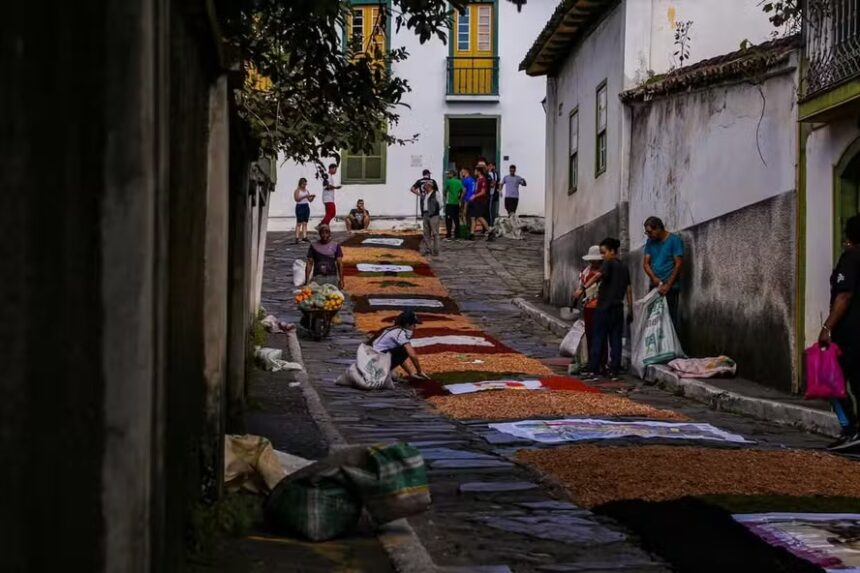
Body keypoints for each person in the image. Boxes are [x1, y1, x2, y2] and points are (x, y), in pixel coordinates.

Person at [820, 215, 860, 451]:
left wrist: (827, 328)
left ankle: (851, 430)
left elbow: (844, 295)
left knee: (831, 380)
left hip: (851, 334)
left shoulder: (851, 258)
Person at [581, 238, 632, 380]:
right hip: (618, 308)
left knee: (598, 338)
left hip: (604, 308)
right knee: (615, 340)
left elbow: (598, 275)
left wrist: (582, 288)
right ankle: (614, 369)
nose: (603, 256)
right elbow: (628, 289)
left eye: (604, 252)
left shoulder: (608, 264)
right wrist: (631, 309)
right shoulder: (624, 267)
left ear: (612, 251)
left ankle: (594, 368)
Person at [643, 216, 684, 329]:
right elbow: (646, 263)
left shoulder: (674, 240)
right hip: (655, 286)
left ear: (658, 228)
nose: (649, 235)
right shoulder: (650, 242)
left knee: (669, 320)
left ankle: (670, 346)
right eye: (647, 233)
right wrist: (654, 278)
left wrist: (668, 285)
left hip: (670, 287)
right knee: (653, 319)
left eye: (650, 232)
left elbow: (678, 264)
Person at [370, 309, 429, 381]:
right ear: (407, 324)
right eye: (414, 324)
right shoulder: (400, 333)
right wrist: (419, 371)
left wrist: (410, 373)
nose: (415, 326)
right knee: (405, 350)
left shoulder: (394, 329)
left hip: (372, 359)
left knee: (395, 375)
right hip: (375, 361)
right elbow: (412, 355)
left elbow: (399, 358)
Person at [573, 245, 606, 369]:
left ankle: (602, 362)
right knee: (590, 334)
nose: (593, 262)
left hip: (601, 306)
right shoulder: (585, 271)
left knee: (601, 336)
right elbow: (581, 286)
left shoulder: (603, 271)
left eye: (595, 260)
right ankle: (592, 361)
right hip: (588, 306)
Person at [304, 224, 344, 289]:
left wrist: (341, 280)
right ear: (319, 234)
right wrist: (307, 281)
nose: (324, 235)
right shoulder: (314, 246)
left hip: (332, 277)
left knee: (333, 297)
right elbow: (309, 263)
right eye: (322, 232)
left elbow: (340, 263)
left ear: (330, 233)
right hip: (318, 277)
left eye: (326, 232)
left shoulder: (335, 245)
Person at [412, 181, 441, 256]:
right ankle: (428, 249)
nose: (424, 187)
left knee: (435, 233)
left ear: (430, 186)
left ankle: (436, 250)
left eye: (425, 186)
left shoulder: (436, 193)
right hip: (425, 214)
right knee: (426, 233)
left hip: (433, 215)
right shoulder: (425, 194)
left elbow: (441, 204)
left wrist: (434, 211)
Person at [467, 165, 490, 239]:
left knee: (479, 216)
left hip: (480, 201)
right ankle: (472, 234)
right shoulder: (477, 179)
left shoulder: (483, 179)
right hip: (475, 201)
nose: (474, 172)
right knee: (473, 217)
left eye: (475, 171)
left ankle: (489, 231)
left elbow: (483, 192)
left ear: (479, 172)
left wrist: (475, 196)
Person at [293, 177, 315, 244]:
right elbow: (297, 199)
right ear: (300, 184)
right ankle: (297, 237)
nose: (304, 186)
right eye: (303, 184)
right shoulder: (297, 190)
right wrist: (304, 196)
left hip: (306, 206)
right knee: (299, 222)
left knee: (305, 222)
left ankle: (304, 236)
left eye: (305, 184)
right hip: (300, 206)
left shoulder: (306, 191)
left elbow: (309, 200)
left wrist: (312, 197)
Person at [443, 170, 464, 240]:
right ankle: (457, 233)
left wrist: (445, 195)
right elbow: (463, 190)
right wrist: (460, 198)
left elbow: (445, 191)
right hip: (457, 202)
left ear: (452, 174)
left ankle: (448, 233)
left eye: (449, 174)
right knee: (456, 218)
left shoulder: (448, 181)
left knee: (448, 219)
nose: (448, 175)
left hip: (450, 202)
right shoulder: (459, 181)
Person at [320, 163, 341, 227]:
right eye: (335, 169)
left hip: (330, 198)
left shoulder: (330, 176)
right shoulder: (327, 176)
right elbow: (327, 186)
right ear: (331, 168)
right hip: (328, 198)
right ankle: (322, 224)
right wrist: (335, 187)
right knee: (331, 213)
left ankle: (325, 225)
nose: (335, 171)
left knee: (330, 213)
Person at [487, 161, 500, 229]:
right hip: (492, 193)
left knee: (490, 209)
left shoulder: (492, 174)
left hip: (491, 194)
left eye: (490, 166)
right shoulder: (494, 174)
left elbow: (493, 184)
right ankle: (491, 223)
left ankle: (491, 224)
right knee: (491, 209)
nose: (489, 167)